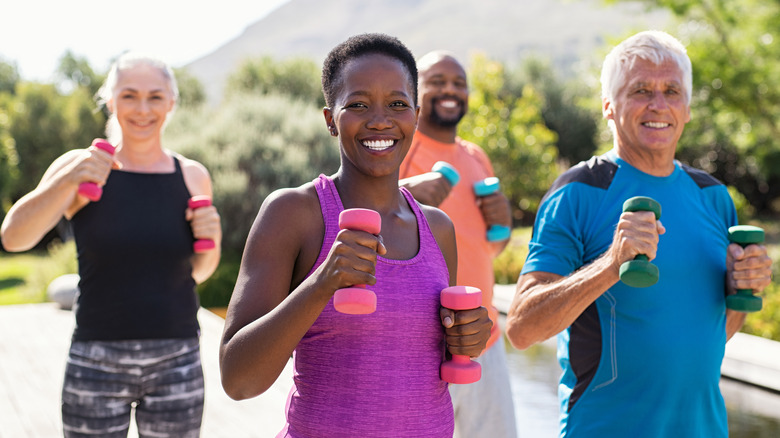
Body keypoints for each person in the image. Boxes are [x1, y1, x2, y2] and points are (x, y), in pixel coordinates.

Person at [218, 33, 492, 438]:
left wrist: (469, 336)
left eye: (397, 104)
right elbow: (238, 381)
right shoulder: (294, 213)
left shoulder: (437, 228)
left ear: (415, 116)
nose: (380, 120)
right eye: (358, 104)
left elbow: (420, 359)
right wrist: (322, 282)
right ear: (331, 119)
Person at [505, 30, 773, 437]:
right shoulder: (579, 192)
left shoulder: (714, 197)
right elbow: (522, 328)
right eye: (641, 90)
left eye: (672, 91)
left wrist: (742, 287)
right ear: (609, 107)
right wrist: (611, 265)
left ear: (686, 108)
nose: (658, 104)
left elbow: (709, 333)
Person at [0, 52, 222, 437]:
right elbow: (14, 238)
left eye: (155, 97)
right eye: (129, 95)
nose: (142, 109)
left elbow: (197, 271)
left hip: (177, 359)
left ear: (171, 103)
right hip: (96, 359)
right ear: (110, 101)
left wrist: (212, 239)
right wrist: (67, 181)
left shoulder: (192, 175)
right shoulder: (80, 166)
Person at [398, 51, 517, 438]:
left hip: (486, 339)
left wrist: (503, 223)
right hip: (422, 345)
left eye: (459, 83)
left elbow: (487, 249)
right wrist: (403, 194)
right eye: (438, 81)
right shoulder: (399, 149)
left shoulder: (475, 157)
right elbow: (363, 223)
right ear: (416, 91)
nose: (450, 90)